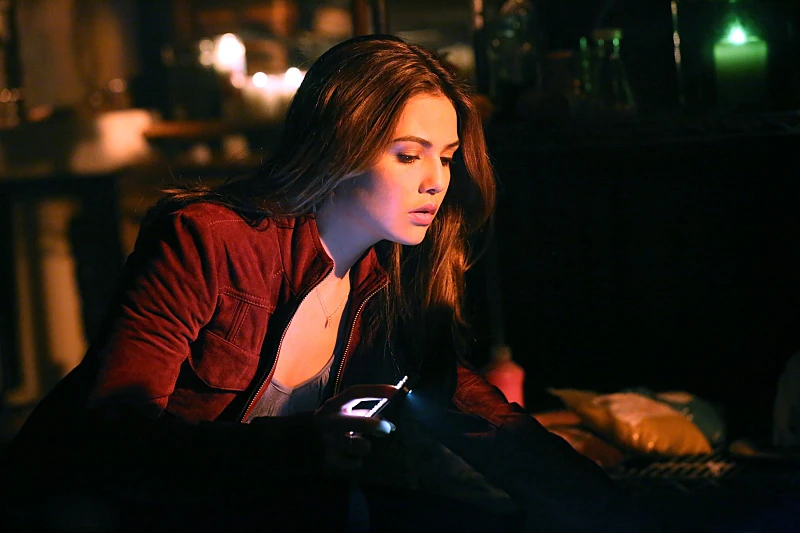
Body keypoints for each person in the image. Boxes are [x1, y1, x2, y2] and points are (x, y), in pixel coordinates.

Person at [0, 34, 668, 533]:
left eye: (445, 157)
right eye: (407, 155)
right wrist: (299, 447)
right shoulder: (209, 239)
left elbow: (481, 419)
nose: (435, 180)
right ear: (341, 146)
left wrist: (625, 513)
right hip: (93, 509)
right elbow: (114, 437)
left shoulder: (391, 285)